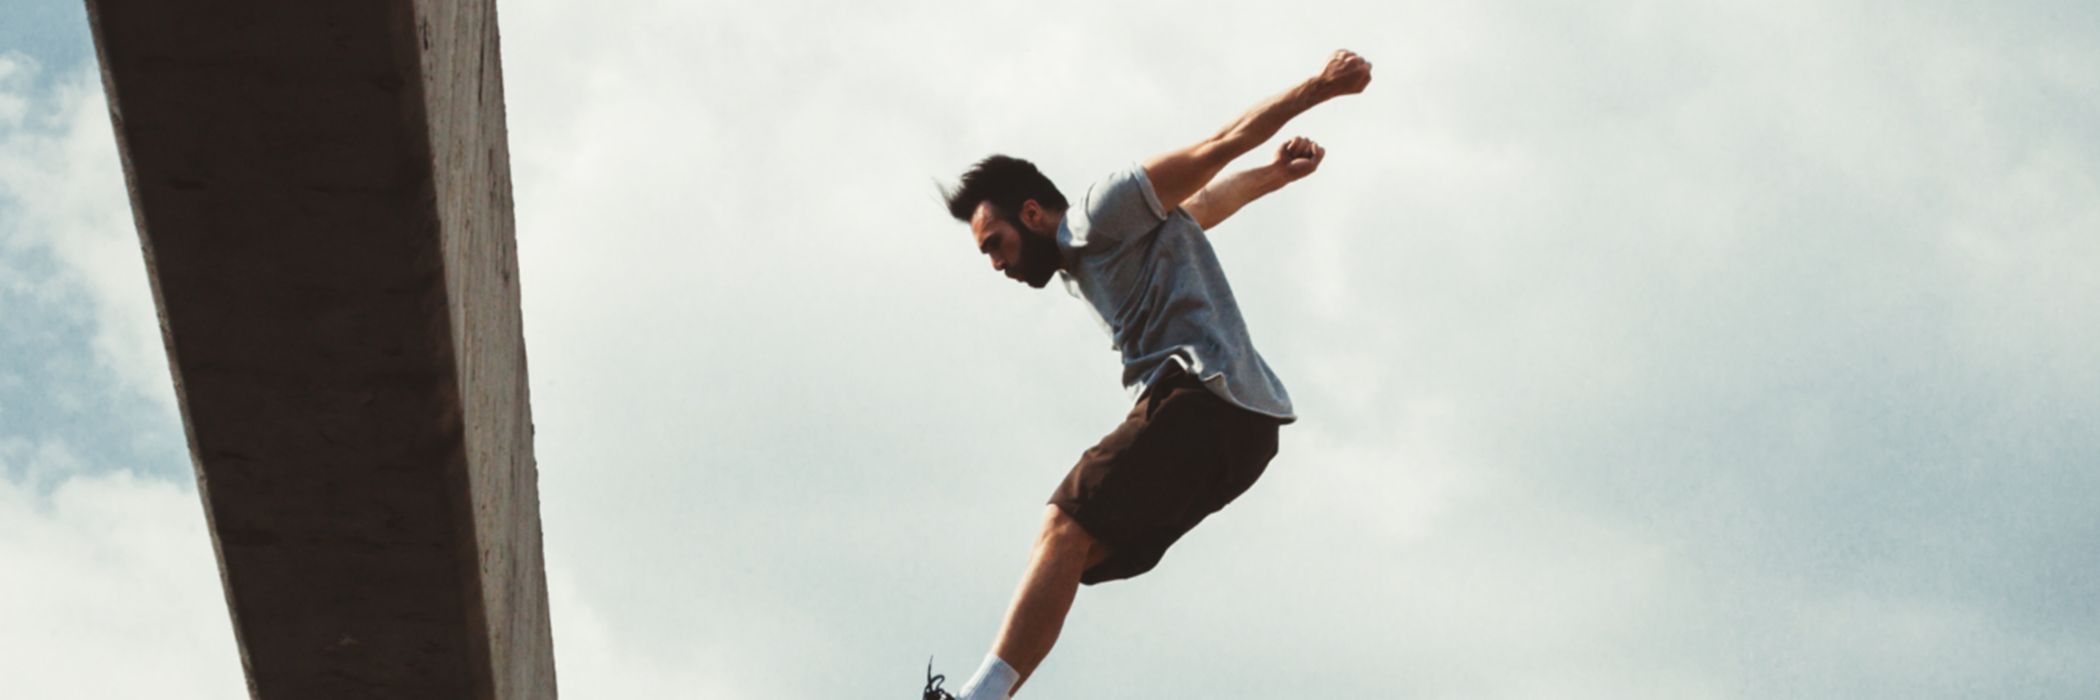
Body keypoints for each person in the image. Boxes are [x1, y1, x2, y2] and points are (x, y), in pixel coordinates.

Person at [924, 49, 1373, 700]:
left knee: (1062, 525)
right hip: (1244, 436)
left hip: (1201, 400)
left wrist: (1320, 87)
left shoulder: (1098, 213)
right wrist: (1273, 177)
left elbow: (1216, 147)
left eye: (994, 243)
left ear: (1029, 213)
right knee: (1068, 555)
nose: (995, 264)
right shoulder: (1091, 261)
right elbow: (1204, 207)